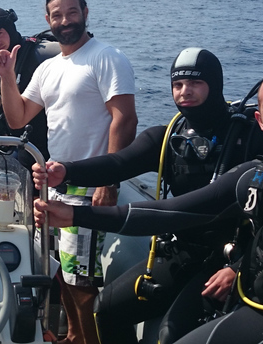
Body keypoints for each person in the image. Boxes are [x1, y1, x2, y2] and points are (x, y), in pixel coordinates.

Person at [32, 48, 263, 344]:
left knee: (170, 333)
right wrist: (65, 171)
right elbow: (118, 163)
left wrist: (237, 267)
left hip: (229, 255)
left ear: (214, 85)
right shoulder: (170, 138)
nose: (184, 92)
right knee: (106, 309)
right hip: (183, 250)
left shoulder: (249, 138)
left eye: (195, 83)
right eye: (177, 85)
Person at [0, 0, 138, 344]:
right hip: (55, 184)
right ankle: (73, 335)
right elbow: (18, 116)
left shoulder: (106, 57)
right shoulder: (49, 67)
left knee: (81, 281)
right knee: (63, 272)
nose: (65, 21)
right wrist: (7, 77)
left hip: (89, 188)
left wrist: (109, 181)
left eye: (72, 12)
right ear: (47, 20)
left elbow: (125, 120)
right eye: (57, 15)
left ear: (85, 11)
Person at [0, 6, 59, 163]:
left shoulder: (37, 55)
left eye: (0, 34)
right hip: (17, 141)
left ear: (10, 29)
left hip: (44, 145)